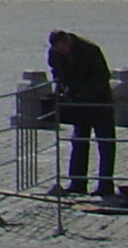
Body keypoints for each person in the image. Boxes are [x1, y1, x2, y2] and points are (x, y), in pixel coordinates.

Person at [46, 29, 117, 201]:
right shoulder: (54, 53)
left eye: (63, 49)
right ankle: (77, 182)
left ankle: (105, 184)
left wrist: (83, 94)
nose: (61, 53)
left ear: (68, 41)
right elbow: (57, 73)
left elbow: (102, 76)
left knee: (105, 142)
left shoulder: (90, 50)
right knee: (79, 140)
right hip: (77, 102)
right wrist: (62, 90)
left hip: (99, 101)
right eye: (58, 50)